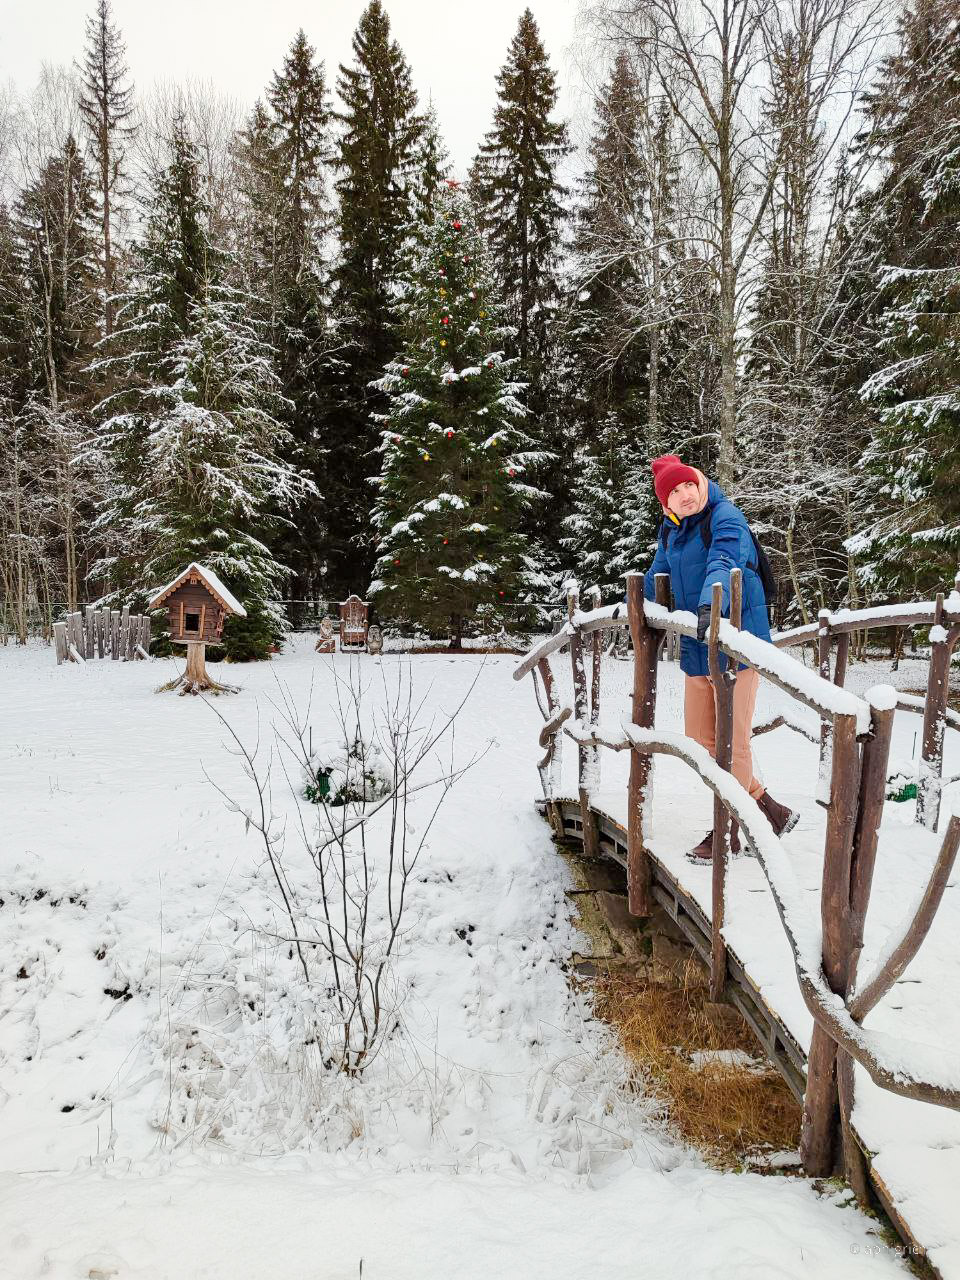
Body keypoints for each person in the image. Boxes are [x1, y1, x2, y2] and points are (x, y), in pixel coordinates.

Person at [643, 454, 798, 860]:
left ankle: (728, 828)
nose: (685, 495)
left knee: (734, 741)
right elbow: (657, 575)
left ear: (700, 484)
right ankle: (769, 809)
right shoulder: (670, 530)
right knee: (700, 737)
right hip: (698, 644)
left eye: (688, 485)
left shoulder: (725, 516)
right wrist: (633, 605)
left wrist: (713, 603)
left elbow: (724, 561)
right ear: (666, 503)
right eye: (674, 492)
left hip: (734, 640)